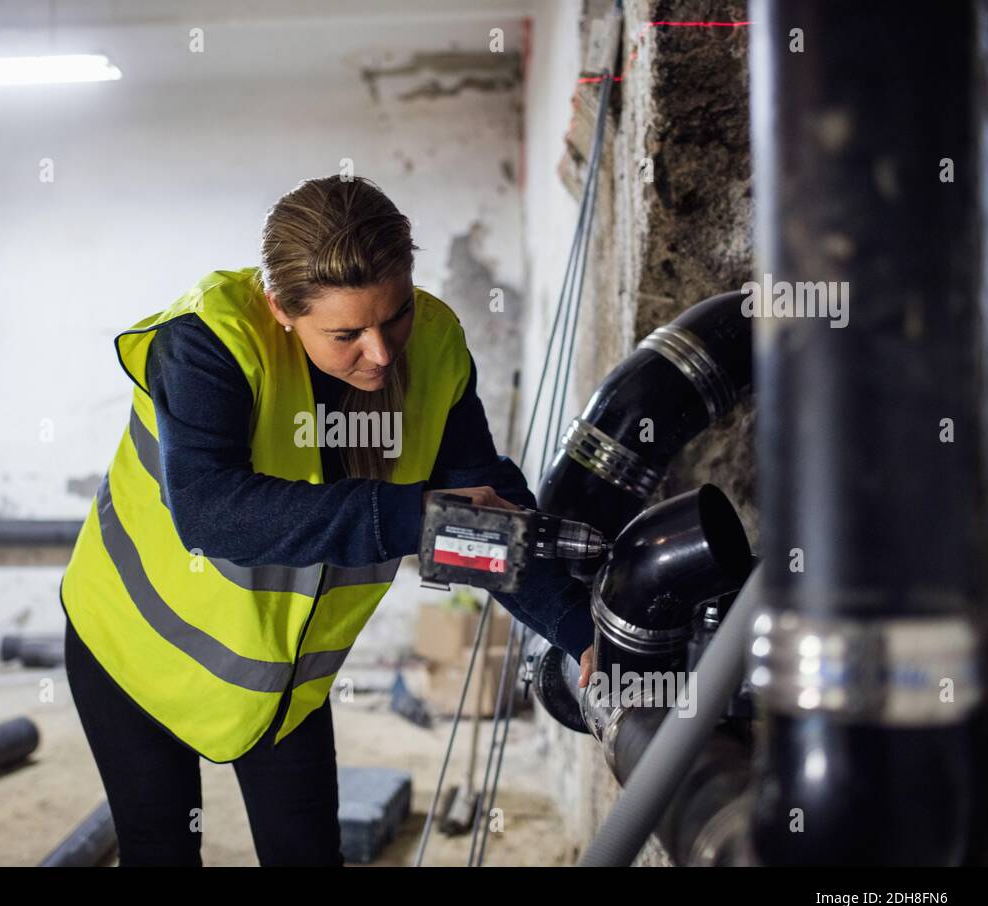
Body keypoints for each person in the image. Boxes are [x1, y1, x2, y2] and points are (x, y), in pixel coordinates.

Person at [59, 174, 593, 866]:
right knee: (163, 851)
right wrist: (417, 517)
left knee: (308, 856)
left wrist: (579, 631)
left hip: (282, 677)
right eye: (347, 334)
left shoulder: (433, 346)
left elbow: (484, 519)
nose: (382, 351)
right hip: (131, 649)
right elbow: (211, 512)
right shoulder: (206, 344)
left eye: (395, 313)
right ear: (280, 307)